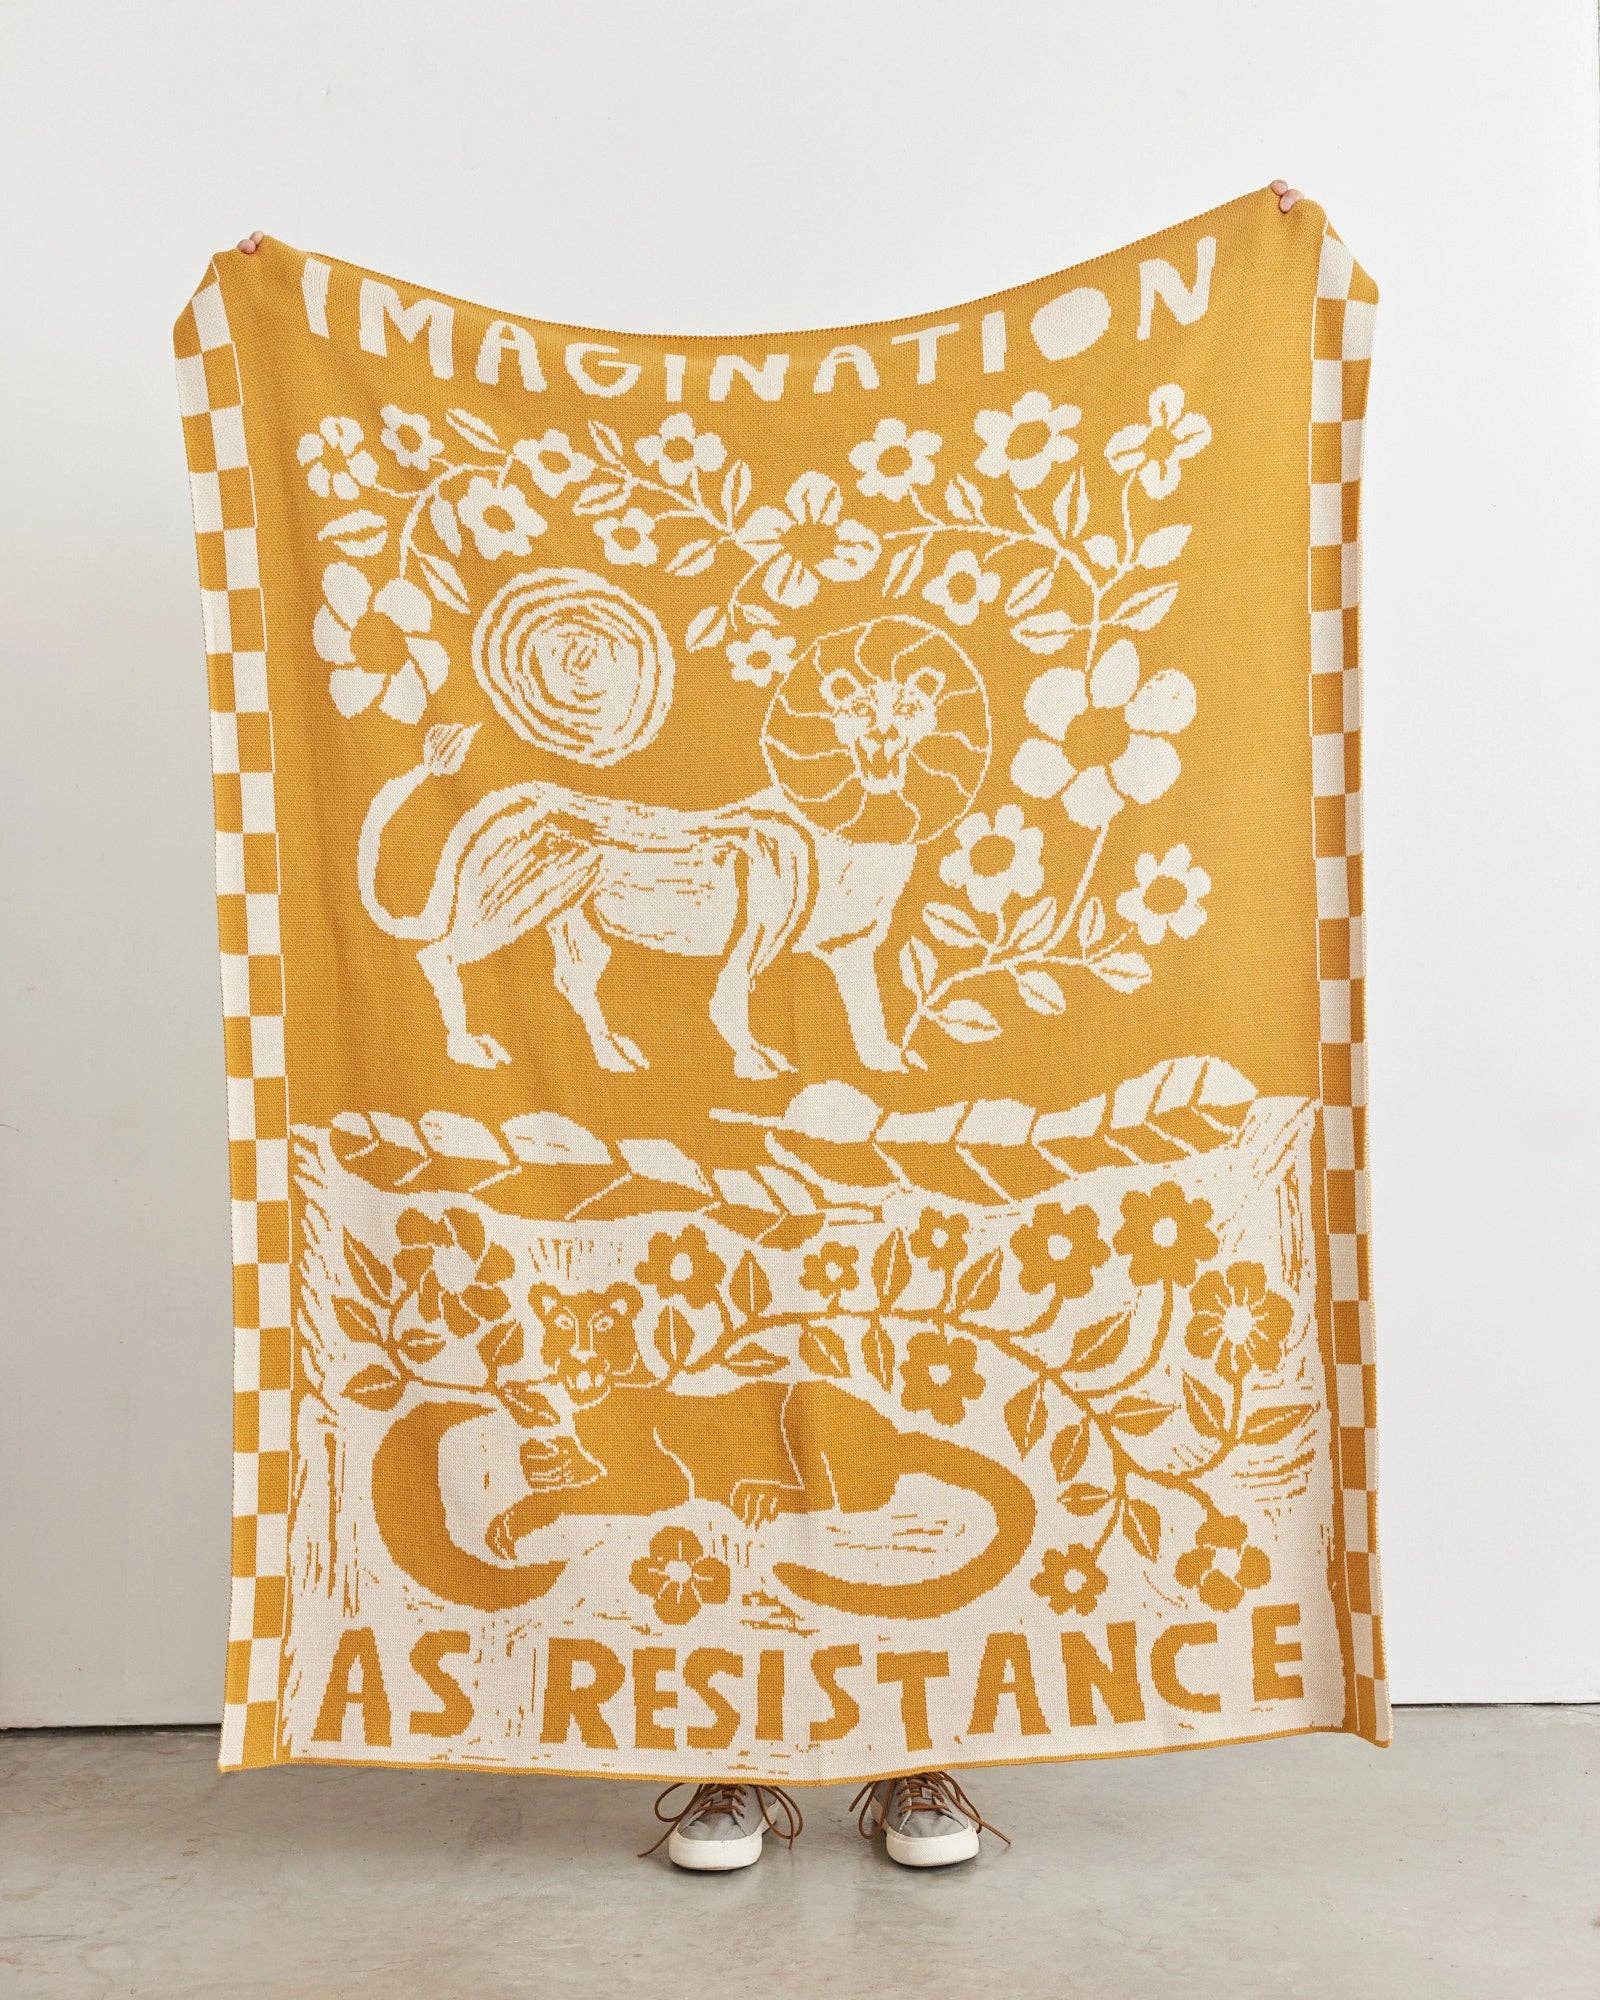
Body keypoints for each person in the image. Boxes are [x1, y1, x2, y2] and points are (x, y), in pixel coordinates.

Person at [235, 177, 1307, 1876]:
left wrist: (1261, 269)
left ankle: (918, 1757)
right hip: (664, 1104)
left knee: (866, 1413)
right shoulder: (687, 804)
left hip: (850, 1119)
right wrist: (286, 319)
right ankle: (723, 1751)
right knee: (711, 1411)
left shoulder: (871, 837)